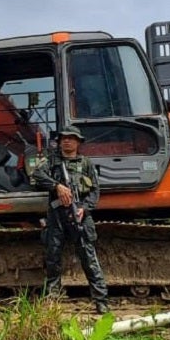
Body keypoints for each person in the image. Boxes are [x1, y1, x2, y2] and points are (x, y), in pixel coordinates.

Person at [30, 125, 110, 314]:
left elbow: (95, 191)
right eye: (63, 138)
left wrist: (84, 208)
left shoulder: (86, 164)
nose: (67, 140)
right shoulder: (51, 161)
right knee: (53, 259)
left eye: (71, 138)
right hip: (57, 216)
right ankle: (52, 301)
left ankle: (101, 300)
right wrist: (57, 186)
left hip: (80, 216)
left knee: (89, 259)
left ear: (78, 142)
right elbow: (37, 175)